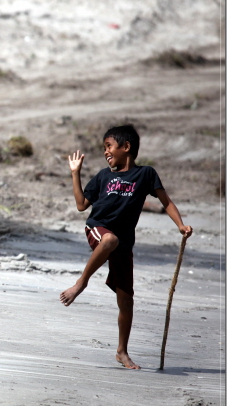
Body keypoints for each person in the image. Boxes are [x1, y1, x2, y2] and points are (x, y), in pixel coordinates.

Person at [60, 124, 192, 369]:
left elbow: (166, 201)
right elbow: (81, 205)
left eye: (109, 146)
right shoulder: (103, 176)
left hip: (124, 243)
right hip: (98, 229)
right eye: (104, 148)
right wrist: (75, 173)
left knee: (126, 300)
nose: (106, 152)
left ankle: (122, 351)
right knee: (110, 240)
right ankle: (81, 283)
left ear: (126, 147)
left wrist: (181, 226)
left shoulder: (146, 174)